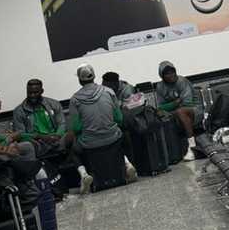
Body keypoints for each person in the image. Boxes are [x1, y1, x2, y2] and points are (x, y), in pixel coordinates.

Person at [68, 63, 137, 192]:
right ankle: (128, 165)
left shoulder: (74, 99)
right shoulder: (109, 92)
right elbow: (119, 119)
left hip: (89, 143)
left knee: (73, 150)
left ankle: (84, 175)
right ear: (94, 76)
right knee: (123, 138)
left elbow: (76, 128)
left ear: (79, 79)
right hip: (113, 138)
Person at [12, 79, 69, 158]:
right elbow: (20, 134)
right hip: (37, 142)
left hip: (56, 139)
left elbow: (62, 124)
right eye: (29, 93)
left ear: (42, 91)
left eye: (35, 92)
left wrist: (57, 135)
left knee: (72, 136)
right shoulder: (19, 111)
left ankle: (80, 168)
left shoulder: (54, 104)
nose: (32, 95)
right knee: (27, 145)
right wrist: (39, 136)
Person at [155, 61, 199, 161]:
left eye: (172, 72)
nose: (171, 75)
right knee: (159, 114)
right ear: (162, 76)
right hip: (176, 111)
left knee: (180, 112)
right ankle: (172, 153)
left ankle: (192, 147)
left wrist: (170, 108)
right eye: (167, 74)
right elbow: (161, 107)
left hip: (194, 109)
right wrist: (175, 103)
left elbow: (187, 103)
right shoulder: (160, 86)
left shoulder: (182, 81)